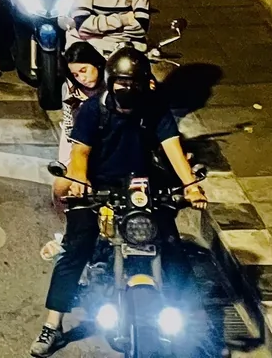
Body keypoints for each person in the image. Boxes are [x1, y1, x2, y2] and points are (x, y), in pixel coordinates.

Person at [34, 49, 206, 356]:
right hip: (100, 189)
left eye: (133, 83)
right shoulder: (92, 110)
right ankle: (53, 325)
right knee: (76, 249)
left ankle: (196, 324)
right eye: (121, 83)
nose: (127, 89)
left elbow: (172, 148)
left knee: (172, 249)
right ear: (111, 82)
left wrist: (191, 186)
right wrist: (80, 182)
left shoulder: (154, 109)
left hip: (146, 188)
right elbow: (80, 153)